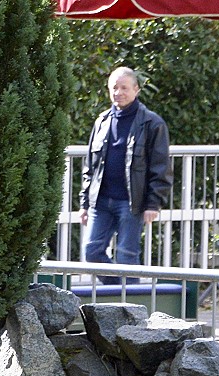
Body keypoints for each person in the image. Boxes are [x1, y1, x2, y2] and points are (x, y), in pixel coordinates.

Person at [80, 67, 171, 267]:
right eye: (114, 88)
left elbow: (161, 167)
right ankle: (116, 291)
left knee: (126, 257)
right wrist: (85, 203)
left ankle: (129, 296)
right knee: (91, 253)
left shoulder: (152, 123)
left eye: (124, 88)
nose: (118, 93)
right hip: (101, 201)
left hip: (132, 203)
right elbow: (90, 166)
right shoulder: (102, 121)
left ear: (136, 90)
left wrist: (153, 204)